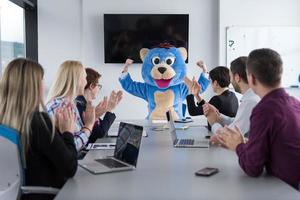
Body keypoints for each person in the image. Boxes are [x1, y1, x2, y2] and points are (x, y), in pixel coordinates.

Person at [215, 48, 300, 190]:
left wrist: (238, 146)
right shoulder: (295, 103)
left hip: (289, 189)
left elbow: (252, 167)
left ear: (251, 78)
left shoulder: (264, 110)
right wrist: (248, 143)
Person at [0, 58, 78, 200]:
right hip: (44, 194)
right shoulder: (38, 122)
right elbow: (70, 167)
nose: (44, 84)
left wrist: (56, 131)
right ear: (33, 86)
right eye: (41, 79)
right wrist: (68, 132)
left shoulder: (5, 121)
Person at [203, 56, 260, 140]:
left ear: (237, 77)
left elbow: (229, 136)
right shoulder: (253, 98)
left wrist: (214, 123)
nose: (230, 81)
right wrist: (218, 116)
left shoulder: (250, 102)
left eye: (231, 77)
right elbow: (236, 121)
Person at [46, 60, 96, 151]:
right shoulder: (60, 106)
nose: (86, 82)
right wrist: (88, 126)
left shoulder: (68, 103)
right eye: (84, 78)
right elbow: (71, 147)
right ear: (76, 80)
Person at [185, 61, 239, 130]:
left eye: (211, 81)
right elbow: (207, 106)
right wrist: (197, 95)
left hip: (217, 135)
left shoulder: (217, 99)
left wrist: (190, 91)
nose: (211, 85)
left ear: (215, 83)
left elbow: (193, 111)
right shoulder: (233, 96)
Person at [76, 68, 123, 143]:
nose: (99, 89)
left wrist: (99, 114)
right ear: (91, 86)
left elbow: (100, 130)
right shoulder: (81, 106)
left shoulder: (83, 104)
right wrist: (109, 109)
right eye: (98, 86)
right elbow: (99, 134)